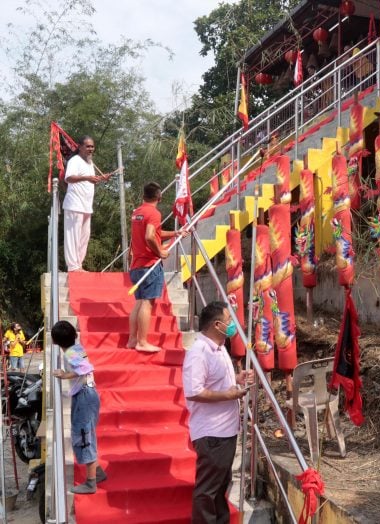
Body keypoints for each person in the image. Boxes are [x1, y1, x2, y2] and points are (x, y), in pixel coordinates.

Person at [183, 301, 254, 524]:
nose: (232, 325)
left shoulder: (221, 346)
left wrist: (237, 380)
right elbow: (193, 392)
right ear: (217, 324)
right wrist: (228, 395)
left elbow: (218, 382)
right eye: (229, 321)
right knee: (208, 491)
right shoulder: (198, 352)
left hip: (226, 430)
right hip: (212, 433)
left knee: (221, 486)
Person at [127, 182, 184, 353]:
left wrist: (175, 233)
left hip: (137, 265)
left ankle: (132, 339)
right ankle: (142, 342)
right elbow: (150, 236)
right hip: (149, 265)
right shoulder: (153, 213)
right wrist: (160, 251)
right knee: (147, 302)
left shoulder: (137, 213)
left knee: (139, 302)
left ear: (144, 195)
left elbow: (154, 233)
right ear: (159, 197)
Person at [51, 320, 107, 494]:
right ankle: (97, 472)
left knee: (84, 436)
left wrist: (65, 374)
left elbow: (85, 368)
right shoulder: (77, 347)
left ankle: (91, 483)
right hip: (88, 394)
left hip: (84, 396)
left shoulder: (70, 353)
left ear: (55, 341)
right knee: (86, 432)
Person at [63, 135, 113, 272]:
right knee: (73, 236)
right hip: (74, 204)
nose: (91, 149)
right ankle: (73, 267)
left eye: (92, 146)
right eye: (88, 146)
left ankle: (79, 264)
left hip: (86, 206)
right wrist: (86, 178)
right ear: (80, 146)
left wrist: (102, 178)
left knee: (84, 237)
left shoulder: (90, 163)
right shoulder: (75, 160)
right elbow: (68, 178)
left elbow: (91, 180)